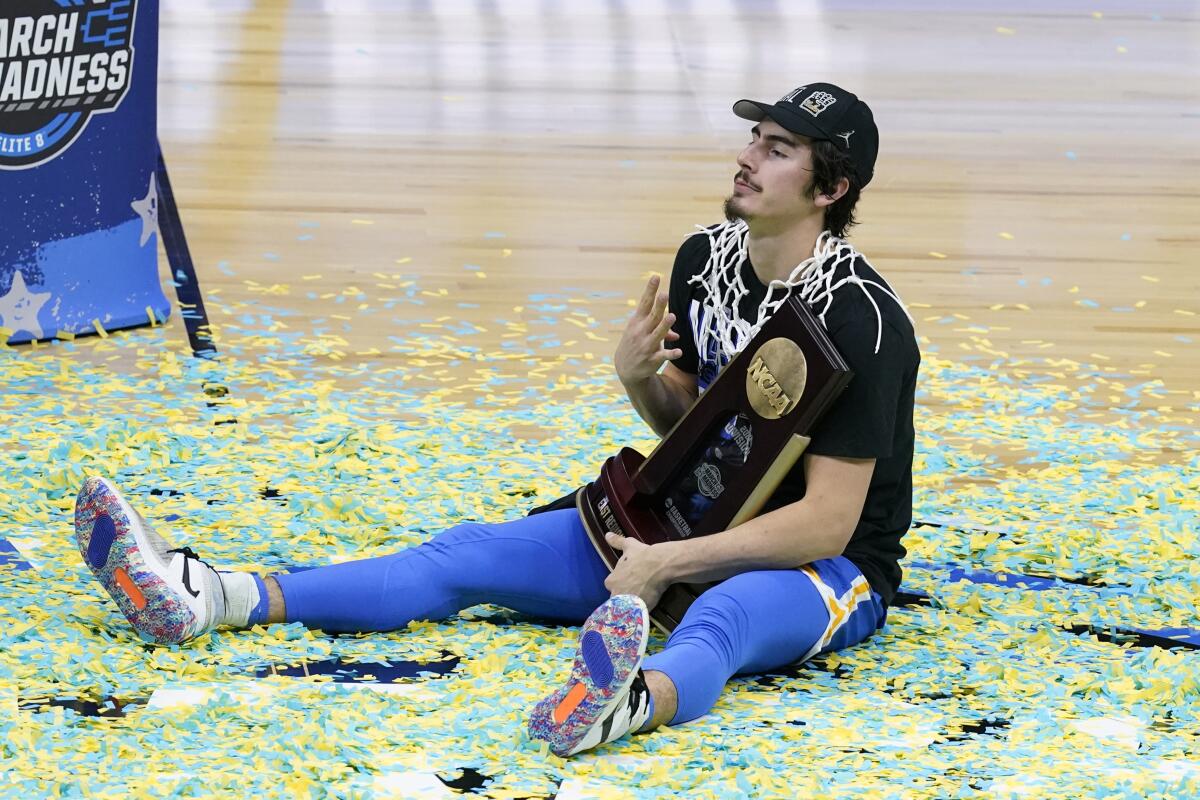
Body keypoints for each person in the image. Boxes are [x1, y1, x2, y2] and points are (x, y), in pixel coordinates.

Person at [73, 82, 919, 759]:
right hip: (679, 526)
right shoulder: (706, 258)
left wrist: (669, 565)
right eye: (752, 139)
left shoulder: (862, 323)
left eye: (777, 150)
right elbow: (707, 442)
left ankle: (621, 708)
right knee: (463, 556)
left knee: (721, 625)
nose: (746, 159)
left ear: (832, 186)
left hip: (827, 568)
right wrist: (638, 383)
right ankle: (214, 597)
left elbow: (825, 519)